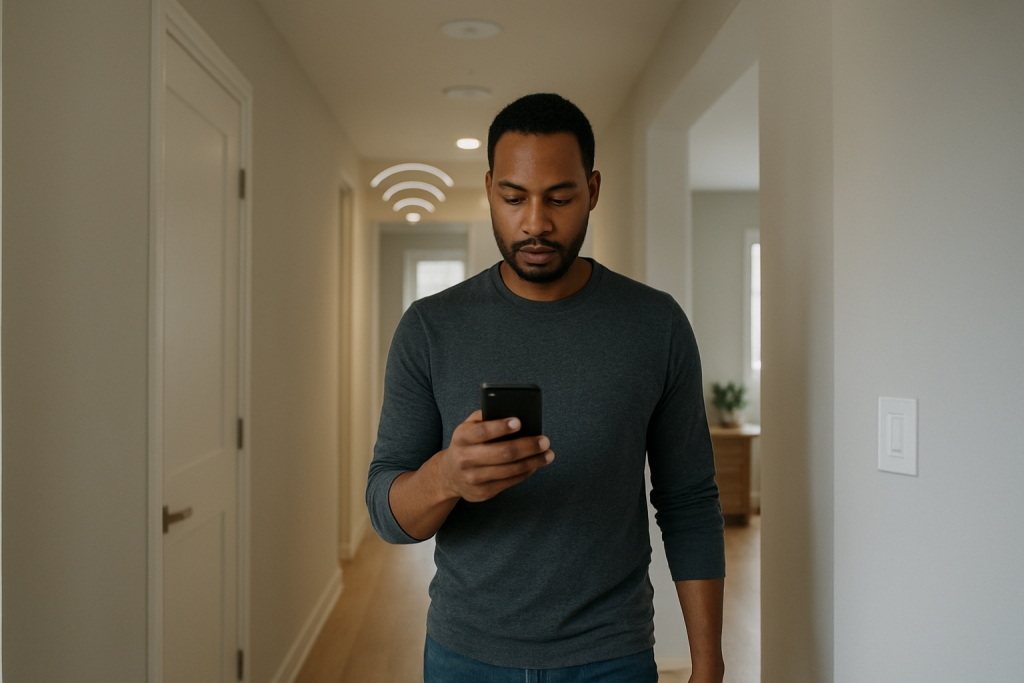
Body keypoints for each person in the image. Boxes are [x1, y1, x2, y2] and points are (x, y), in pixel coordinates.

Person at [366, 93, 725, 683]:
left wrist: (708, 663)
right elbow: (387, 513)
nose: (535, 221)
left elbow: (689, 501)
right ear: (488, 190)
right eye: (513, 197)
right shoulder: (430, 328)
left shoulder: (655, 324)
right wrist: (448, 477)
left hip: (613, 656)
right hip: (466, 657)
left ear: (594, 190)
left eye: (560, 197)